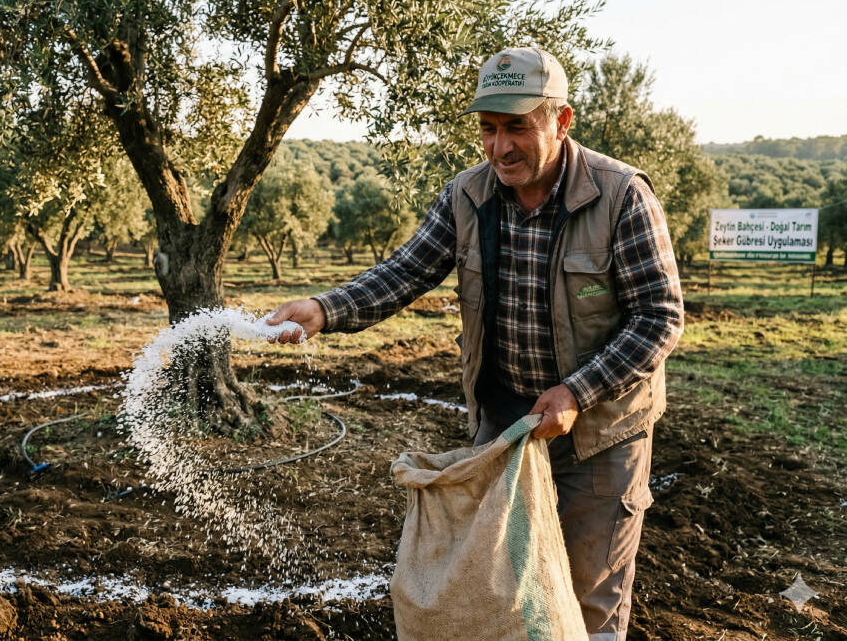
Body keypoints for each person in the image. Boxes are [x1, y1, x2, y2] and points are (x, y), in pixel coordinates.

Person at [268, 47, 683, 640]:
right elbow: (406, 271)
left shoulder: (621, 197)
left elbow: (659, 318)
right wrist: (324, 309)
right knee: (503, 593)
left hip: (599, 434)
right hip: (505, 430)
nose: (500, 147)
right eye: (488, 130)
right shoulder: (468, 195)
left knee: (589, 604)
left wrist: (576, 393)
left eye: (518, 126)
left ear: (561, 122)